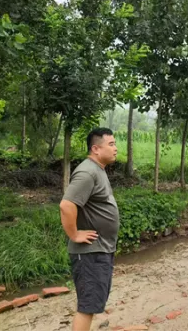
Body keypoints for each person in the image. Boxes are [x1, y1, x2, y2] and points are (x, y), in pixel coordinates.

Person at [59, 128, 119, 331]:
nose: (115, 148)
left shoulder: (97, 169)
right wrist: (74, 234)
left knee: (91, 305)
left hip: (99, 249)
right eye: (111, 144)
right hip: (90, 253)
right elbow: (66, 205)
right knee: (87, 307)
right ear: (95, 148)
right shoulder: (87, 172)